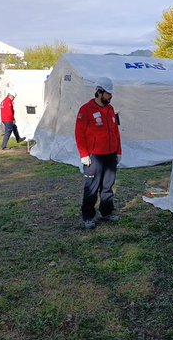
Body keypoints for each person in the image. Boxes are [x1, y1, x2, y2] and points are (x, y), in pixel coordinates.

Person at [74, 77, 122, 229]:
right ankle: (88, 216)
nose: (110, 96)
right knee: (91, 188)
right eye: (108, 93)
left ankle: (106, 213)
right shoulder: (85, 110)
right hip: (94, 157)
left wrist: (118, 151)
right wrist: (83, 154)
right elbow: (79, 134)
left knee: (107, 187)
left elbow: (116, 132)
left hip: (110, 155)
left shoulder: (111, 109)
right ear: (99, 92)